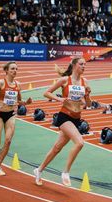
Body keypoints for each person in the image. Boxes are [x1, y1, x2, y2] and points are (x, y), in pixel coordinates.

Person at [34, 58, 91, 187]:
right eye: (81, 64)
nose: (84, 66)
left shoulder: (84, 82)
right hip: (64, 117)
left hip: (76, 118)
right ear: (74, 65)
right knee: (80, 143)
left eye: (85, 65)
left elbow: (88, 105)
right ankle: (65, 172)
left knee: (57, 148)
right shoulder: (65, 80)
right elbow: (46, 93)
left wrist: (87, 95)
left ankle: (39, 170)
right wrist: (60, 100)